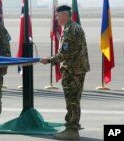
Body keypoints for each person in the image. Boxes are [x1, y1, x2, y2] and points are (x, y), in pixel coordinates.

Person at [40, 5, 90, 140]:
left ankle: (72, 130)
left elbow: (64, 54)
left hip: (73, 71)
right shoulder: (73, 27)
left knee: (72, 100)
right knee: (74, 99)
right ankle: (72, 125)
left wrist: (48, 60)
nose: (56, 18)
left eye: (57, 15)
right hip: (76, 69)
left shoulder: (70, 30)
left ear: (64, 15)